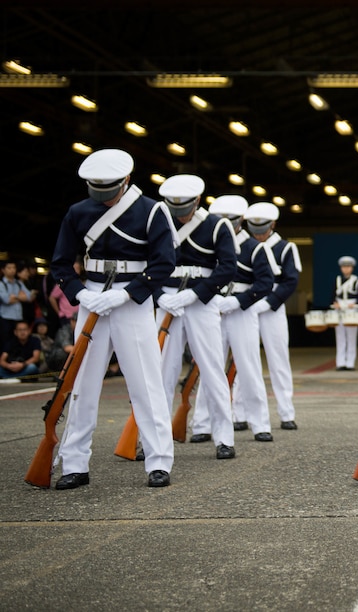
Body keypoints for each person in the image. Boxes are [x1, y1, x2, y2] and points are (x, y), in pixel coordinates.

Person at [50, 148, 175, 489]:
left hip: (131, 300)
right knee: (82, 384)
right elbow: (61, 264)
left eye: (110, 191)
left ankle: (159, 460)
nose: (103, 198)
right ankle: (74, 463)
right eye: (97, 190)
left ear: (127, 181)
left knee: (146, 383)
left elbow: (163, 263)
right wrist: (81, 294)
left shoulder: (152, 212)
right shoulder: (78, 212)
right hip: (92, 297)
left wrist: (127, 294)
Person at [154, 174, 238, 460]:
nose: (179, 214)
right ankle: (153, 438)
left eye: (184, 208)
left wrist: (196, 294)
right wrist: (158, 295)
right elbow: (145, 261)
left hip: (201, 300)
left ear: (198, 201)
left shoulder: (216, 226)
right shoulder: (159, 221)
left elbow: (227, 268)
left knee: (212, 368)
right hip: (167, 300)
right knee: (162, 372)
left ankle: (224, 438)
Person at [193, 195, 276, 440]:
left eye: (231, 220)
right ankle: (202, 424)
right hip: (213, 306)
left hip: (241, 309)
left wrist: (239, 300)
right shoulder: (208, 244)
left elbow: (265, 283)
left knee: (249, 366)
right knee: (209, 366)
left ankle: (260, 424)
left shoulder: (254, 247)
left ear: (241, 221)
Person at [246, 202, 300, 431]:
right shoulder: (244, 246)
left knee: (278, 361)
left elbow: (290, 281)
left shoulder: (286, 248)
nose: (258, 235)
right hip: (246, 305)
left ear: (273, 225)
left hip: (273, 309)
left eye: (263, 230)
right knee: (244, 361)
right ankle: (240, 413)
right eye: (254, 230)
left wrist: (269, 303)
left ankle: (286, 412)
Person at [331, 256, 358, 371]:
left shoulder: (357, 281)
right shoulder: (337, 280)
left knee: (351, 337)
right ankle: (340, 363)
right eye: (344, 267)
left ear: (352, 268)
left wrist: (354, 305)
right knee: (339, 337)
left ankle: (350, 363)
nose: (346, 269)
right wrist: (335, 303)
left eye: (348, 266)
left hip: (352, 309)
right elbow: (333, 296)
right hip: (340, 308)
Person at [1, 259, 31, 343]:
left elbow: (28, 297)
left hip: (18, 318)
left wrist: (15, 297)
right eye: (9, 268)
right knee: (5, 341)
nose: (12, 270)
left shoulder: (18, 283)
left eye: (13, 267)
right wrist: (20, 296)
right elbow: (7, 300)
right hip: (6, 318)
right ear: (3, 270)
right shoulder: (1, 284)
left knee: (17, 342)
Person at [49, 260, 81, 326]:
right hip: (67, 317)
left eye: (78, 269)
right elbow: (52, 298)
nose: (76, 272)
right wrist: (59, 312)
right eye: (74, 269)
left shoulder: (80, 282)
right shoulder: (64, 282)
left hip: (78, 316)